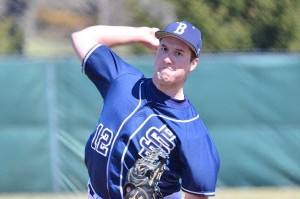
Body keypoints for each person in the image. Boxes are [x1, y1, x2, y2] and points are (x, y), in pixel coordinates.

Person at [71, 21, 220, 199]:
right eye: (164, 48)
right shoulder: (123, 81)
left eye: (178, 53)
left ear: (193, 63)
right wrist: (141, 34)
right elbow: (81, 38)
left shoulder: (193, 134)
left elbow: (197, 196)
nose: (167, 58)